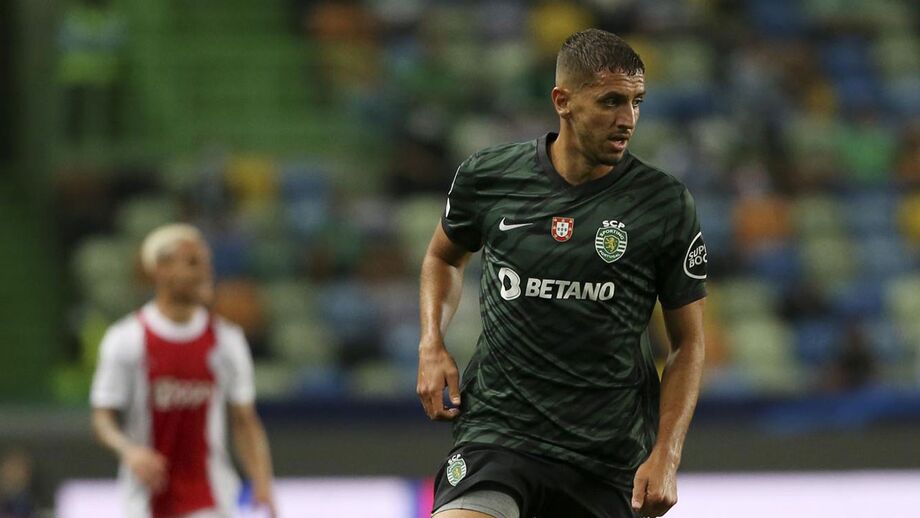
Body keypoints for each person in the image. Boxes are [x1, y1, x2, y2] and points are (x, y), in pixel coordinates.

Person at [417, 29, 707, 518]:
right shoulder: (490, 176)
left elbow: (688, 343)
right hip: (498, 434)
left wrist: (667, 453)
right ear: (563, 101)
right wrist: (431, 343)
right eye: (611, 101)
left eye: (636, 102)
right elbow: (443, 257)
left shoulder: (663, 204)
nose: (627, 119)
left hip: (605, 456)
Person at [90, 224, 277, 518]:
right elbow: (103, 418)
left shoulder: (227, 340)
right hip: (145, 500)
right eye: (192, 263)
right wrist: (129, 451)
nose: (205, 272)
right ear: (161, 270)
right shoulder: (126, 338)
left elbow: (245, 421)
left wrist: (263, 480)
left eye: (206, 263)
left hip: (211, 498)